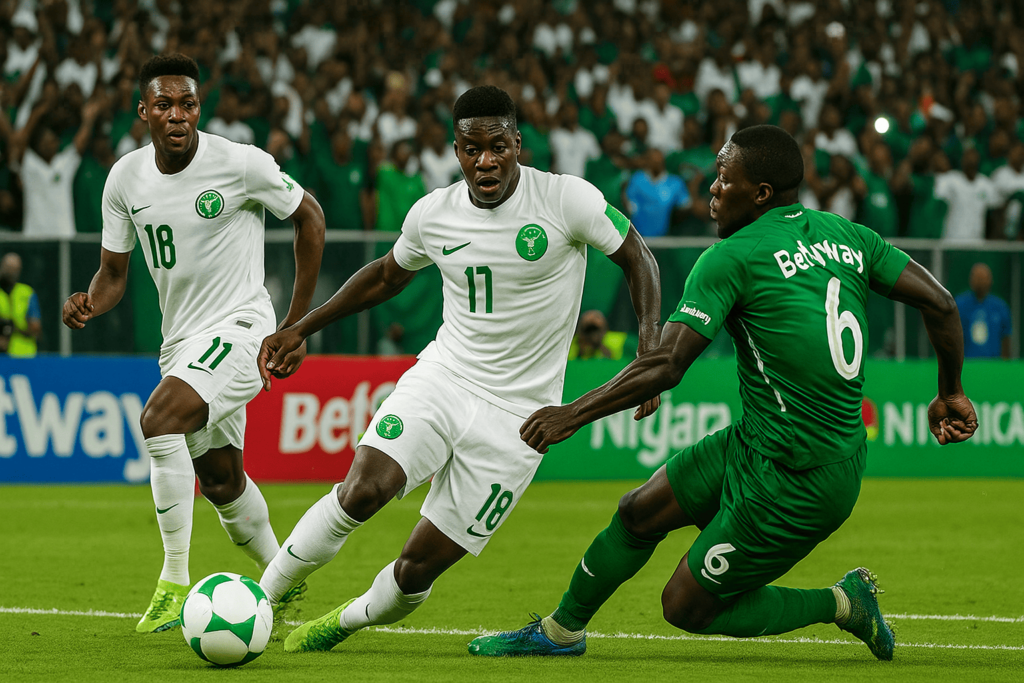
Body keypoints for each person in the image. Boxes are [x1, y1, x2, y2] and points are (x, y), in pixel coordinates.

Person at [469, 124, 978, 661]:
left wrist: (572, 413)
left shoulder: (732, 257)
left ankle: (843, 603)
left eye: (722, 177)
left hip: (801, 479)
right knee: (639, 513)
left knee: (684, 606)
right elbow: (942, 303)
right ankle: (560, 632)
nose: (711, 189)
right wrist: (950, 392)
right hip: (761, 443)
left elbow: (667, 365)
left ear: (759, 193)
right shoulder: (850, 236)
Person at [255, 85, 662, 653]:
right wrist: (303, 327)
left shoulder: (568, 200)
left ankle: (345, 620)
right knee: (363, 490)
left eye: (498, 146)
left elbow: (637, 256)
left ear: (517, 144)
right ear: (456, 150)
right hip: (444, 378)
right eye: (472, 149)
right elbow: (384, 276)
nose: (486, 160)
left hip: (520, 418)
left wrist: (648, 347)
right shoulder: (434, 213)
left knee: (415, 569)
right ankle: (263, 599)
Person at [61, 53, 326, 634]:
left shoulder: (239, 163)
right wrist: (88, 301)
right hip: (180, 342)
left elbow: (311, 218)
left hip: (242, 331)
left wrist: (294, 324)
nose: (177, 115)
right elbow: (113, 274)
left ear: (198, 108)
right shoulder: (125, 178)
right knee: (225, 485)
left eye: (188, 104)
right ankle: (285, 582)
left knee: (159, 420)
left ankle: (173, 580)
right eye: (164, 105)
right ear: (144, 112)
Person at [955, 263, 1011, 359]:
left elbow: (1005, 337)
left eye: (983, 278)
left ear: (990, 280)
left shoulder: (1000, 306)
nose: (980, 282)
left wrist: (1005, 364)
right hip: (967, 364)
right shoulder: (959, 305)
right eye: (977, 278)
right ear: (970, 280)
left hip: (993, 365)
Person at [0, 252, 42, 356]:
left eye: (15, 269)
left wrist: (12, 328)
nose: (11, 272)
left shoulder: (26, 293)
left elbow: (35, 328)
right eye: (8, 268)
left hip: (23, 355)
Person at [568, 309, 635, 361]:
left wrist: (601, 347)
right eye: (588, 331)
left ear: (604, 330)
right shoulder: (569, 345)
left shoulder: (620, 341)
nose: (592, 335)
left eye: (596, 330)